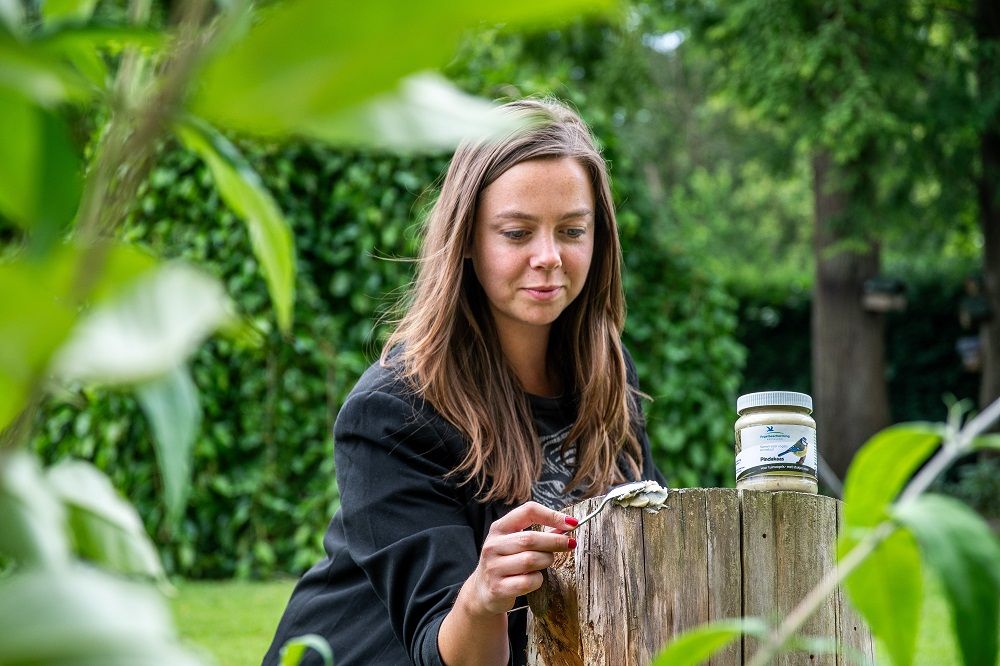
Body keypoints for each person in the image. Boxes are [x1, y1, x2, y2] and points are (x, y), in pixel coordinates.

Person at [261, 98, 666, 666]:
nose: (549, 257)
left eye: (572, 230)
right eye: (517, 233)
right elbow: (442, 650)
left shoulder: (608, 373)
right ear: (469, 240)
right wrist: (483, 595)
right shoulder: (393, 410)